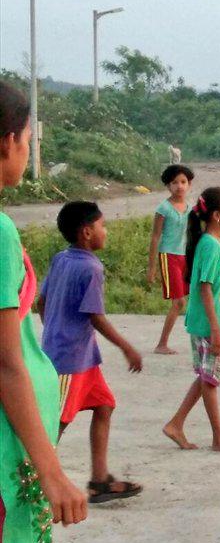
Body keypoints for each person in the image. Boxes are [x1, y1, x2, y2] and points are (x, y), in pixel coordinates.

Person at [0, 80, 88, 543]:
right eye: (29, 138)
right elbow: (6, 362)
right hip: (8, 455)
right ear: (9, 140)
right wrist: (50, 471)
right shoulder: (0, 233)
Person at [38, 202, 144, 504]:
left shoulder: (61, 259)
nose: (105, 231)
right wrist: (127, 348)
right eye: (102, 226)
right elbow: (95, 316)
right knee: (54, 424)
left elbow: (41, 302)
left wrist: (54, 329)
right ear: (87, 232)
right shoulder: (92, 268)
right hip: (70, 361)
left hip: (81, 357)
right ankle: (32, 480)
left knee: (104, 406)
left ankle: (99, 481)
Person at [162, 187, 220, 453]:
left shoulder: (207, 242)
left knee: (206, 375)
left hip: (205, 323)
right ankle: (219, 437)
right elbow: (204, 287)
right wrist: (216, 330)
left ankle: (176, 424)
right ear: (216, 215)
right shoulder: (211, 246)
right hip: (208, 325)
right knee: (210, 379)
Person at [147, 164, 194, 354]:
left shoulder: (191, 209)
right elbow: (155, 237)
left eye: (183, 182)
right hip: (169, 256)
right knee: (179, 302)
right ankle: (161, 344)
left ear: (189, 184)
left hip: (185, 257)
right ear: (168, 186)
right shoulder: (164, 208)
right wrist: (152, 267)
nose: (179, 186)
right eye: (175, 182)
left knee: (188, 300)